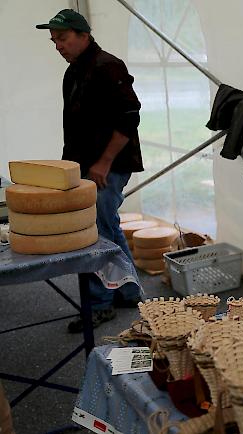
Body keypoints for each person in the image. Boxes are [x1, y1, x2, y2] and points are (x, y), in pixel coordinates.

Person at [36, 9, 144, 332]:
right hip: (87, 167)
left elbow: (129, 117)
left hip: (109, 166)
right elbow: (76, 128)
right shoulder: (73, 72)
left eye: (63, 38)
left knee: (93, 233)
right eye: (54, 40)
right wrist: (69, 168)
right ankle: (129, 290)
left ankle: (99, 303)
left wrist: (104, 162)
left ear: (83, 35)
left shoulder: (108, 66)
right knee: (106, 226)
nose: (57, 46)